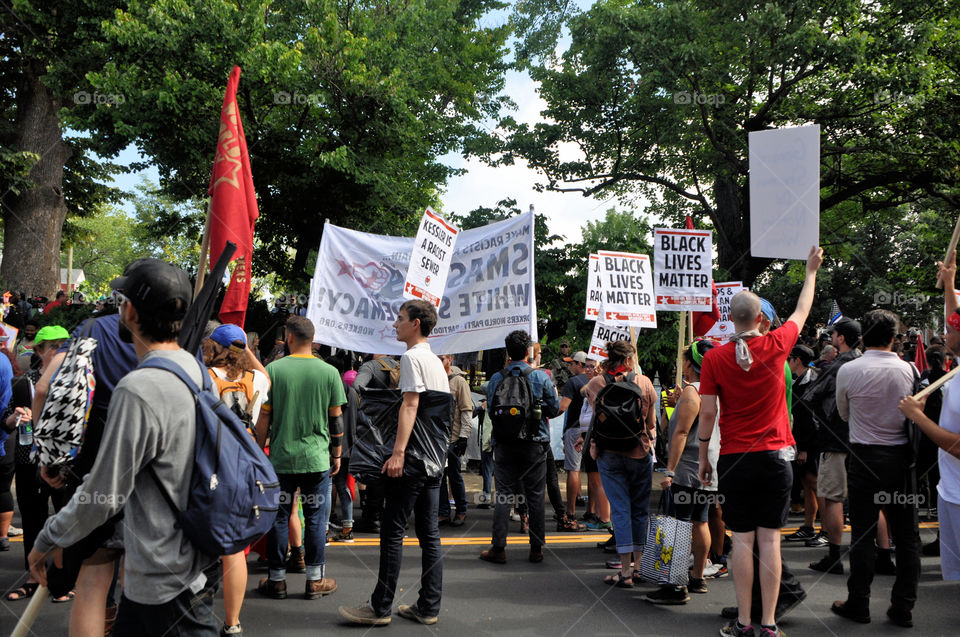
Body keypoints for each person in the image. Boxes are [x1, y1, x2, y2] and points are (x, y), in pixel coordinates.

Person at [29, 258, 223, 636]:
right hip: (193, 553)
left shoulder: (137, 386)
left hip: (163, 571)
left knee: (93, 584)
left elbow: (104, 494)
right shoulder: (196, 369)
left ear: (130, 310)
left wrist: (50, 536)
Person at [698, 246, 822, 637]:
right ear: (762, 319)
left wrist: (704, 454)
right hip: (775, 457)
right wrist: (810, 273)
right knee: (770, 542)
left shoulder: (714, 359)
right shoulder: (778, 344)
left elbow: (707, 414)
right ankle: (768, 623)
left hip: (735, 458)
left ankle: (743, 622)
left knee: (742, 541)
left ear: (728, 319)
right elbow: (802, 310)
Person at [338, 299, 451, 626]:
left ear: (416, 323)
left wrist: (398, 452)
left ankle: (380, 607)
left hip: (414, 459)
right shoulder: (435, 361)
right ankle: (429, 606)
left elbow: (410, 406)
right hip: (433, 460)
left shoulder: (412, 358)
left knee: (392, 529)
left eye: (400, 319)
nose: (395, 324)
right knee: (429, 533)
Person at [830, 309, 919, 627]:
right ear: (894, 337)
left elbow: (843, 414)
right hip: (899, 460)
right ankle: (903, 606)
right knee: (907, 537)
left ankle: (859, 603)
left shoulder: (849, 370)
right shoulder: (909, 369)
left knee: (863, 535)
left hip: (864, 458)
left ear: (863, 336)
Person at [255, 315, 344, 601]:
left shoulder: (273, 369)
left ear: (289, 337)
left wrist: (258, 450)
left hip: (281, 459)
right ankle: (315, 581)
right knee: (316, 519)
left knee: (279, 517)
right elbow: (336, 420)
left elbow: (265, 415)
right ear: (313, 340)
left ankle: (277, 581)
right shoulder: (329, 372)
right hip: (316, 460)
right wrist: (337, 453)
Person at [204, 324, 270, 636]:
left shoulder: (204, 378)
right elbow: (263, 372)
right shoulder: (256, 379)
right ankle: (232, 623)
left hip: (210, 466)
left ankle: (196, 615)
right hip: (246, 466)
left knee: (198, 541)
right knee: (233, 548)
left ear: (214, 347)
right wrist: (245, 350)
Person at [479, 330, 560, 565]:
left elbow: (491, 409)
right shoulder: (541, 377)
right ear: (528, 352)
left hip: (504, 444)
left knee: (504, 495)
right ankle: (536, 549)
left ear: (507, 353)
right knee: (535, 496)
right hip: (535, 444)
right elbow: (554, 411)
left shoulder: (496, 378)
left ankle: (498, 548)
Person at [582, 340, 657, 589]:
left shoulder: (597, 383)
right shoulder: (644, 382)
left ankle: (624, 572)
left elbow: (587, 399)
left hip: (609, 454)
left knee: (621, 510)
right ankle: (640, 567)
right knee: (639, 511)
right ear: (627, 360)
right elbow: (652, 423)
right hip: (639, 452)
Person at [4, 327, 71, 603]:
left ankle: (65, 580)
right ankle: (34, 578)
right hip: (28, 459)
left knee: (67, 517)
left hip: (63, 462)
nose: (55, 352)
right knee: (32, 517)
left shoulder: (76, 382)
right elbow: (6, 420)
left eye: (61, 346)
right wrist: (16, 417)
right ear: (38, 350)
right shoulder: (24, 383)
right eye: (50, 346)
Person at [647, 339, 716, 604]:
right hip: (708, 467)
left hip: (687, 467)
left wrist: (670, 471)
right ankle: (697, 577)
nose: (682, 364)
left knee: (676, 525)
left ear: (691, 363)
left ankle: (675, 587)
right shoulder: (714, 390)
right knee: (700, 520)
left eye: (684, 359)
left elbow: (682, 432)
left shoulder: (693, 392)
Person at [804, 317, 862, 569]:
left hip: (837, 439)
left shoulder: (837, 367)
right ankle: (877, 553)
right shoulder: (871, 363)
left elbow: (810, 396)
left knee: (835, 499)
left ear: (841, 338)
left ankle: (835, 555)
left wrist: (824, 420)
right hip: (868, 440)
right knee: (869, 500)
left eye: (834, 334)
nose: (831, 338)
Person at [784, 345, 821, 542]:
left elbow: (811, 420)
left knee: (816, 484)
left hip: (812, 443)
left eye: (790, 359)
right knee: (807, 484)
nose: (788, 363)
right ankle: (809, 526)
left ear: (797, 360)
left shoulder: (812, 382)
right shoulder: (799, 382)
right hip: (802, 442)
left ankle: (826, 531)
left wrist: (805, 448)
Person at [437, 354, 472, 527]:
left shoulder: (459, 382)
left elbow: (466, 410)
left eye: (441, 358)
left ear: (449, 359)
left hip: (454, 437)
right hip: (437, 438)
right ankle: (443, 512)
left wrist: (464, 437)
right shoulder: (434, 380)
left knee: (454, 474)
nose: (438, 361)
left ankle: (461, 510)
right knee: (439, 476)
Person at [557, 352, 589, 529]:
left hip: (575, 430)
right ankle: (593, 511)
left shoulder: (573, 382)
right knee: (592, 472)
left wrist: (547, 412)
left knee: (573, 469)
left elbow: (562, 407)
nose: (569, 367)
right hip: (591, 430)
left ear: (580, 364)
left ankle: (570, 511)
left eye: (572, 364)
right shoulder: (596, 381)